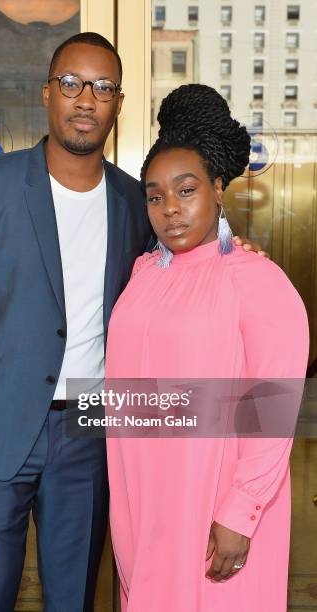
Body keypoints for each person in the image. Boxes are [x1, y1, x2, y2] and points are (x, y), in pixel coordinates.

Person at [0, 33, 262, 612]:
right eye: (73, 83)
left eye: (103, 87)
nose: (86, 99)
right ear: (48, 94)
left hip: (89, 433)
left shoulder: (138, 202)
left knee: (73, 598)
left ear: (118, 103)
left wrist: (236, 250)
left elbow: (181, 271)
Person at [105, 84, 309, 611]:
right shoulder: (143, 273)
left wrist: (240, 511)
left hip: (215, 503)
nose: (170, 208)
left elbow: (274, 404)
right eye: (155, 195)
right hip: (143, 500)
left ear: (218, 189)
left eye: (186, 190)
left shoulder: (256, 279)